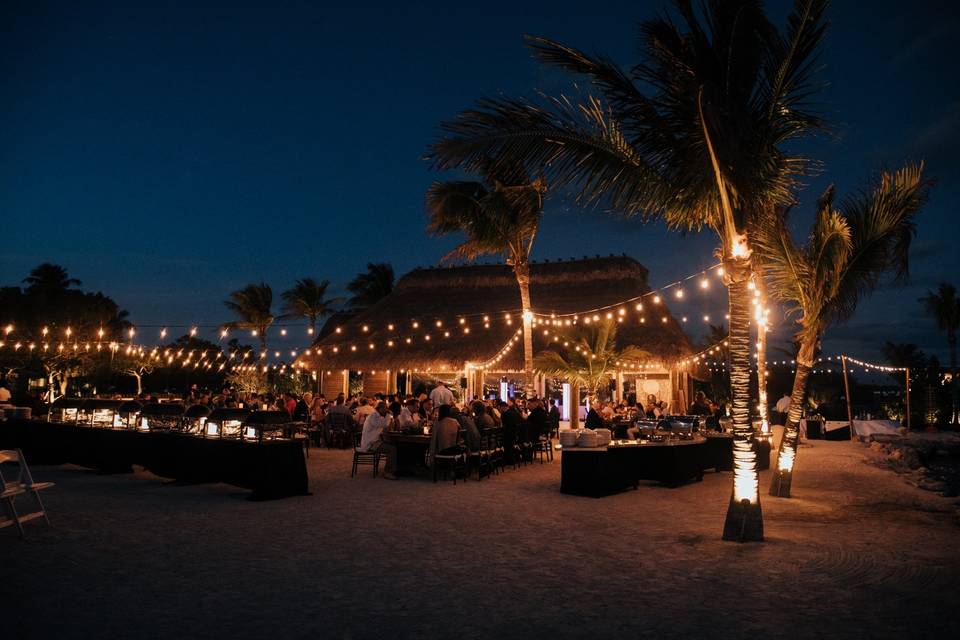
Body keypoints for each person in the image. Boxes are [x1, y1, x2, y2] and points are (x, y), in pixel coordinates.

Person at [359, 401, 397, 479]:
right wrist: (389, 415)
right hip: (371, 443)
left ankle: (394, 468)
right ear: (380, 409)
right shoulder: (373, 416)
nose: (386, 411)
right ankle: (388, 472)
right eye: (385, 409)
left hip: (375, 441)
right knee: (392, 449)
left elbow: (386, 427)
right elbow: (384, 424)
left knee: (395, 445)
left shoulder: (378, 417)